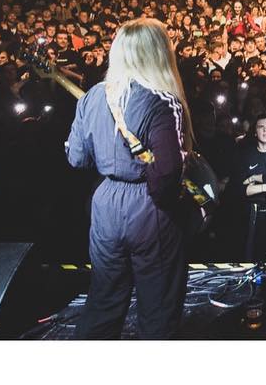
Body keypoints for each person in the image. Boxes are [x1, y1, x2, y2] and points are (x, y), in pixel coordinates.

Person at [64, 17, 193, 339]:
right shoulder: (163, 101)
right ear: (159, 53)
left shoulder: (93, 95)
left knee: (103, 301)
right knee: (158, 307)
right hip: (149, 206)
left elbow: (76, 158)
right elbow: (166, 173)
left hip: (105, 204)